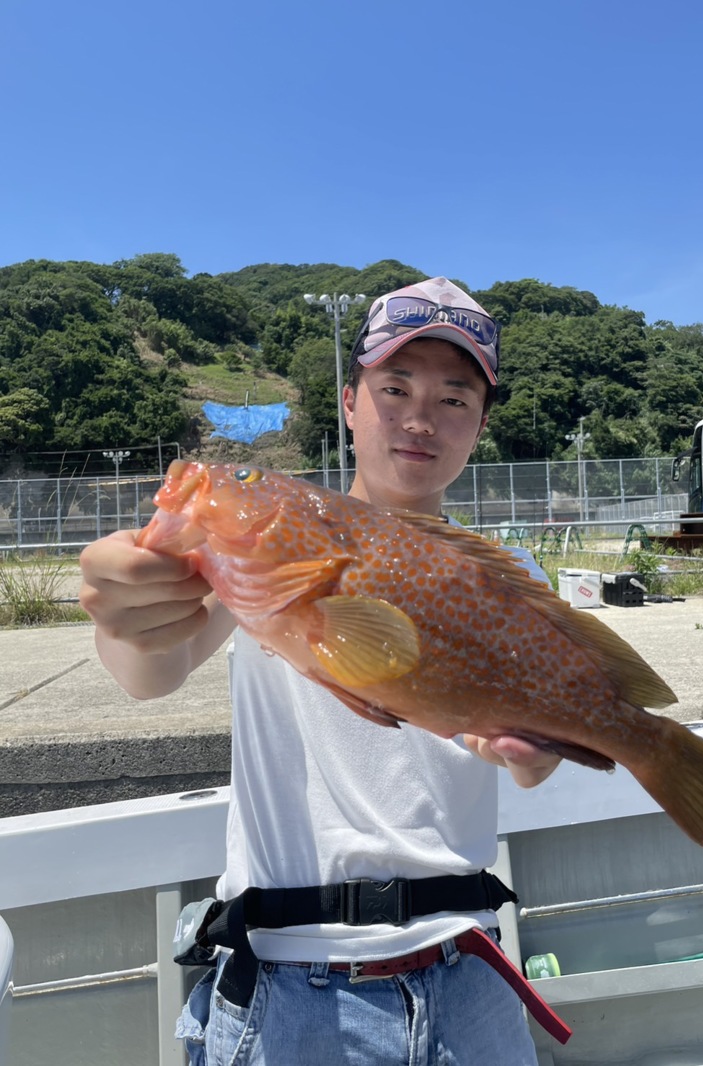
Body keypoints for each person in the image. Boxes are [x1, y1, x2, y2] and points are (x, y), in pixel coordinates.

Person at [79, 276, 563, 1065]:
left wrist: (542, 752)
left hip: (472, 978)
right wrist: (127, 612)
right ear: (348, 401)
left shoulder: (513, 581)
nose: (419, 418)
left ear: (480, 424)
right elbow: (151, 670)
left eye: (453, 399)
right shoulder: (277, 542)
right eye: (394, 388)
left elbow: (535, 753)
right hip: (287, 990)